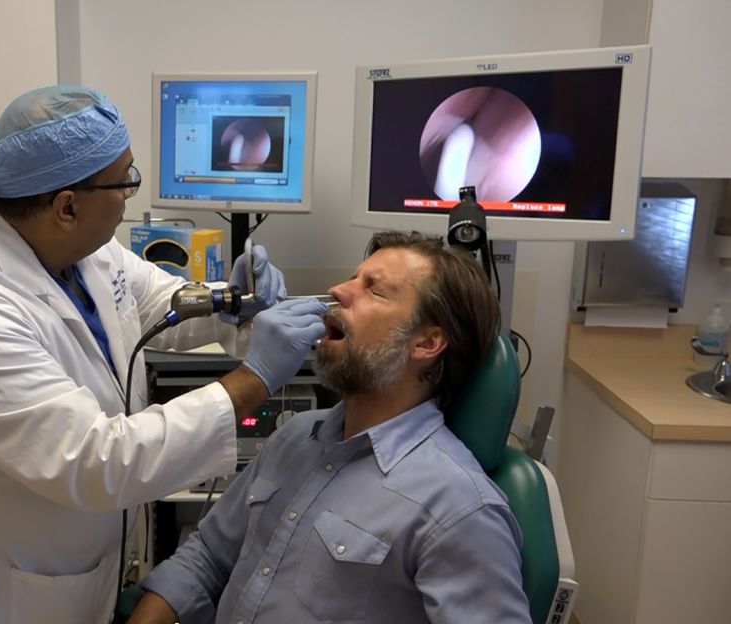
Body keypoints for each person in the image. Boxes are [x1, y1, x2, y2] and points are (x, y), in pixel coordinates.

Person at [0, 85, 327, 624]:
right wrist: (253, 379)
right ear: (68, 206)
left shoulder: (81, 251)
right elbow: (96, 460)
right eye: (125, 181)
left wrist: (231, 302)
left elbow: (153, 300)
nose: (129, 197)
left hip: (84, 557)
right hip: (6, 580)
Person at [129, 231, 532, 624]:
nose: (337, 290)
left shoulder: (459, 508)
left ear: (426, 343)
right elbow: (207, 555)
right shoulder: (294, 436)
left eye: (373, 289)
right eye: (352, 277)